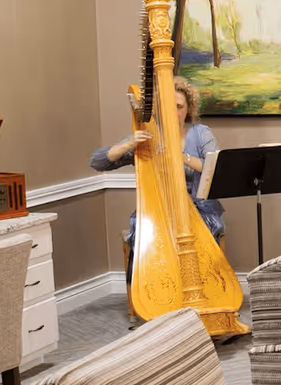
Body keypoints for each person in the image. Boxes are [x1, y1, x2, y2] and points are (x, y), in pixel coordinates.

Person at [90, 76, 224, 271]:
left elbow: (214, 166)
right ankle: (156, 284)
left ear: (189, 109)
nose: (174, 112)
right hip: (158, 208)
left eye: (179, 106)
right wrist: (129, 144)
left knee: (197, 240)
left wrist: (180, 156)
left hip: (197, 207)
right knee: (150, 240)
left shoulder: (200, 133)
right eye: (168, 106)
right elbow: (98, 162)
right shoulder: (148, 136)